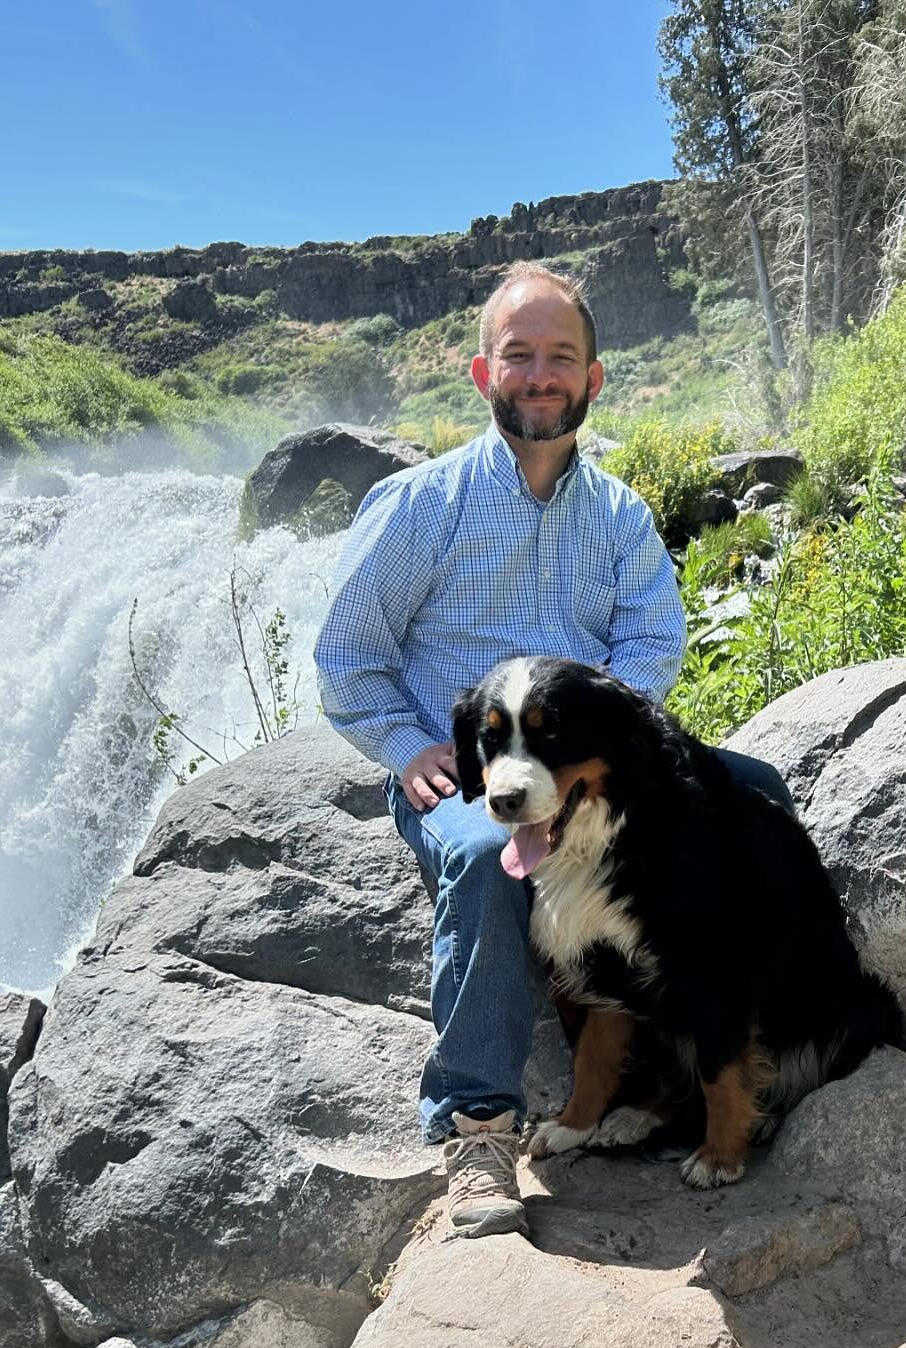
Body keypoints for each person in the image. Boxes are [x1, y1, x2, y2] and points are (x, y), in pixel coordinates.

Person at [314, 261, 791, 1238]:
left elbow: (654, 645)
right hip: (471, 773)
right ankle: (479, 1128)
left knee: (760, 794)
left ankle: (745, 1057)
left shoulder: (617, 515)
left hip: (589, 765)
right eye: (518, 356)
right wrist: (408, 749)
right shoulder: (422, 507)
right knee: (492, 861)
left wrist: (602, 765)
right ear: (484, 375)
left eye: (559, 357)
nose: (540, 375)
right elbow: (348, 658)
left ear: (592, 379)